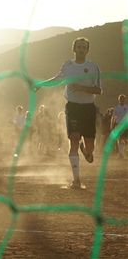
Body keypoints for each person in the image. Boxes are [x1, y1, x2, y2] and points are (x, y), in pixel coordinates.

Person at [41, 37, 101, 189]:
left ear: (87, 50)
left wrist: (81, 87)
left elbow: (98, 90)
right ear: (74, 49)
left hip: (88, 108)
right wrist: (41, 84)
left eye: (84, 47)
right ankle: (76, 181)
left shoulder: (93, 67)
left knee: (90, 146)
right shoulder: (68, 66)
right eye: (79, 47)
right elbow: (57, 79)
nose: (81, 49)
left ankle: (87, 153)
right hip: (73, 107)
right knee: (74, 139)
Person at [112, 94, 127, 158]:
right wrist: (112, 125)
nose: (122, 100)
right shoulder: (116, 108)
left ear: (124, 100)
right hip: (118, 124)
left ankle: (122, 152)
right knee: (120, 139)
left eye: (123, 99)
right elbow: (113, 117)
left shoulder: (126, 107)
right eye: (121, 99)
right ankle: (121, 153)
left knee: (124, 139)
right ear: (119, 100)